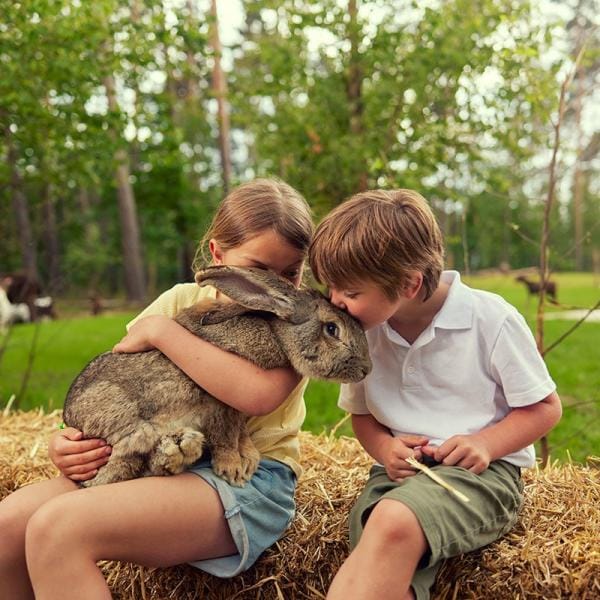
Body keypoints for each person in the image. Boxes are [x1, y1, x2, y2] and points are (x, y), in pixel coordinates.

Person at [0, 178, 314, 600]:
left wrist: (166, 334)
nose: (273, 289)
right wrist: (70, 443)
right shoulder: (180, 300)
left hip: (246, 479)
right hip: (154, 456)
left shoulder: (299, 325)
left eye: (290, 273)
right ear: (218, 255)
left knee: (59, 530)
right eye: (258, 271)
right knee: (8, 528)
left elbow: (254, 395)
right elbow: (117, 381)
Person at [308, 188, 562, 600]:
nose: (335, 301)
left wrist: (485, 443)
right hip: (399, 475)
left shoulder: (491, 319)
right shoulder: (362, 333)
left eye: (350, 292)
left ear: (409, 284)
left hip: (482, 475)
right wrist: (385, 449)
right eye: (330, 288)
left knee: (391, 523)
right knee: (374, 556)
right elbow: (362, 416)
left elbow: (545, 408)